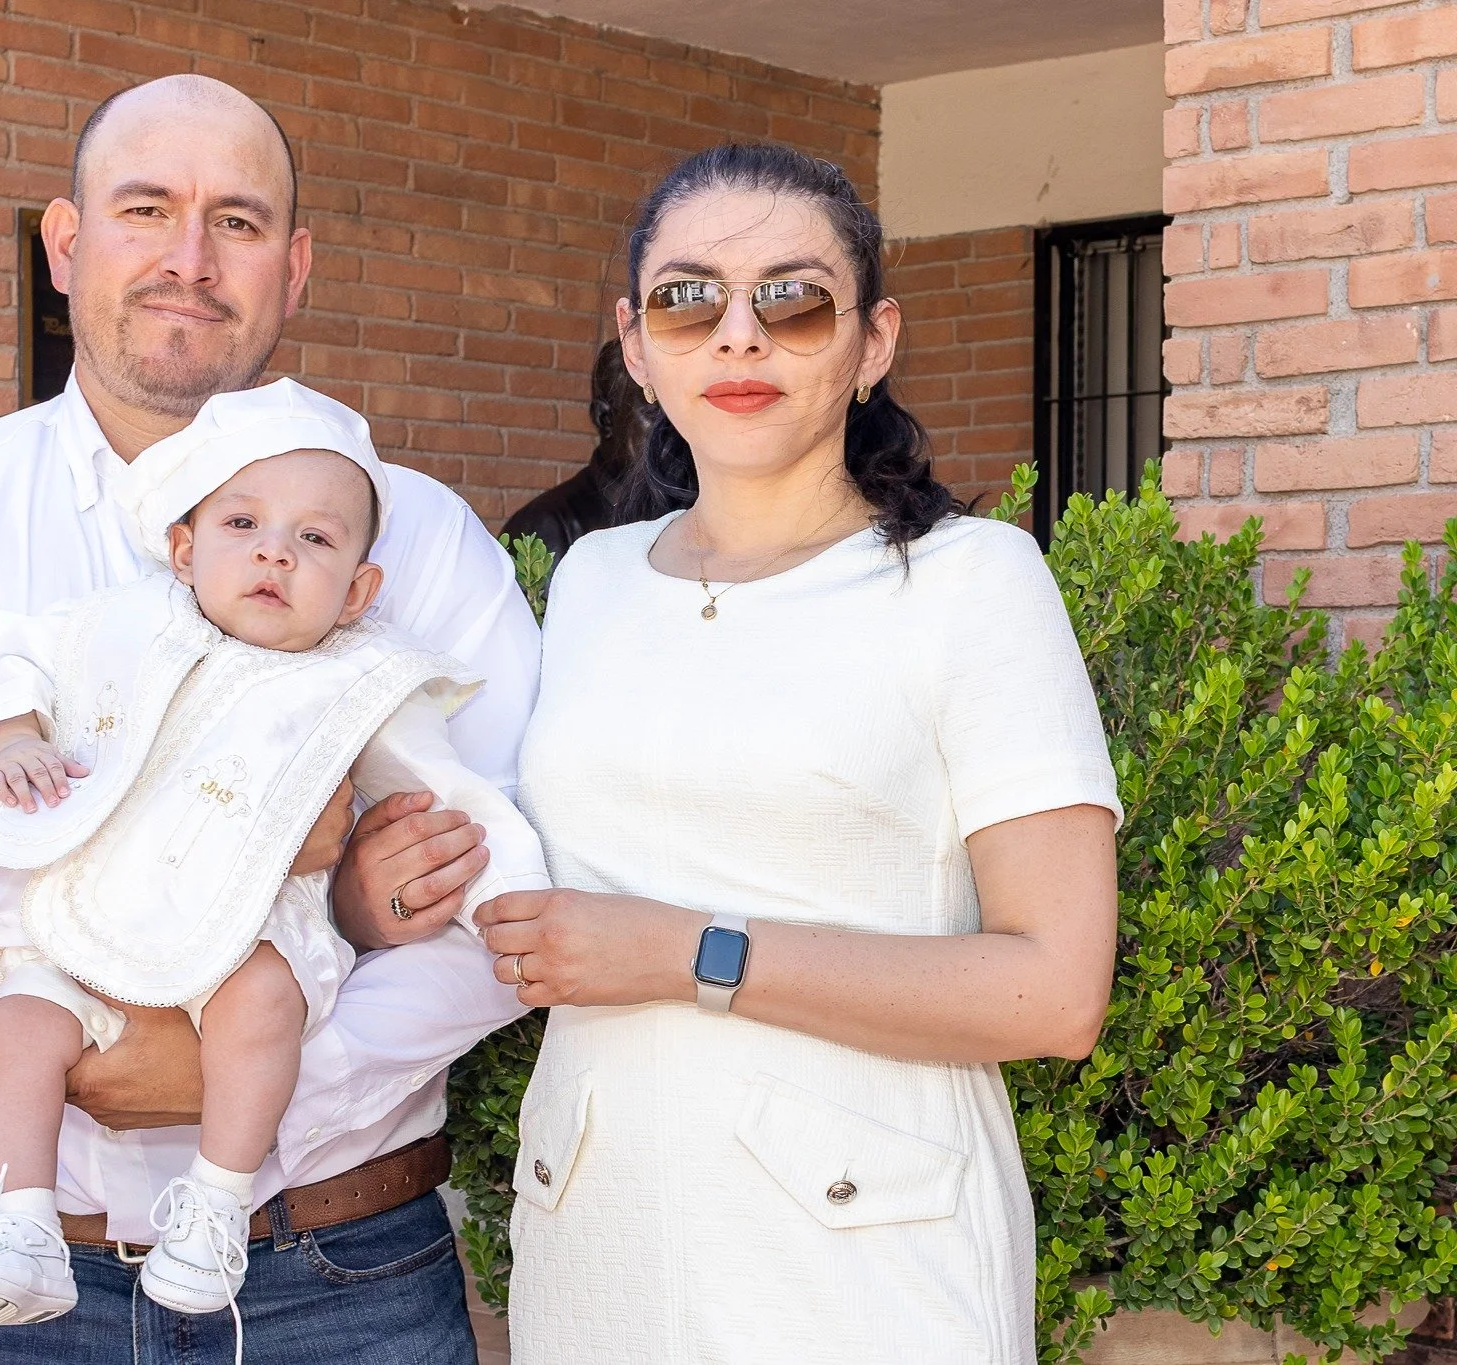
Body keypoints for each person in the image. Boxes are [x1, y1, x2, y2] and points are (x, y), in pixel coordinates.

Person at [0, 75, 538, 1364]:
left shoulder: (421, 538)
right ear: (65, 244)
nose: (187, 258)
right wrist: (271, 850)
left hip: (338, 1275)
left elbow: (494, 878)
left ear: (293, 267)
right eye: (145, 208)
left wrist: (274, 1078)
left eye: (234, 219)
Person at [478, 143, 1122, 1363]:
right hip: (598, 1238)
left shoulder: (970, 585)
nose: (737, 337)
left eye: (792, 299)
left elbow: (1052, 992)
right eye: (687, 299)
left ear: (871, 342)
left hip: (862, 1261)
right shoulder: (594, 583)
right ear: (633, 341)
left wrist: (686, 953)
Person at [0, 382, 546, 1350]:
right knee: (16, 1026)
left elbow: (452, 798)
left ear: (358, 592)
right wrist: (10, 738)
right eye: (244, 524)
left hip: (253, 931)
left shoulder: (359, 680)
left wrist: (514, 898)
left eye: (315, 540)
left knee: (262, 1005)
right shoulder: (123, 628)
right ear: (184, 550)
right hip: (100, 919)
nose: (274, 553)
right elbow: (16, 663)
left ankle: (215, 1207)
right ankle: (17, 1222)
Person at [500, 338, 651, 575]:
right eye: (653, 408)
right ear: (605, 419)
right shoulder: (546, 528)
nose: (673, 427)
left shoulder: (698, 515)